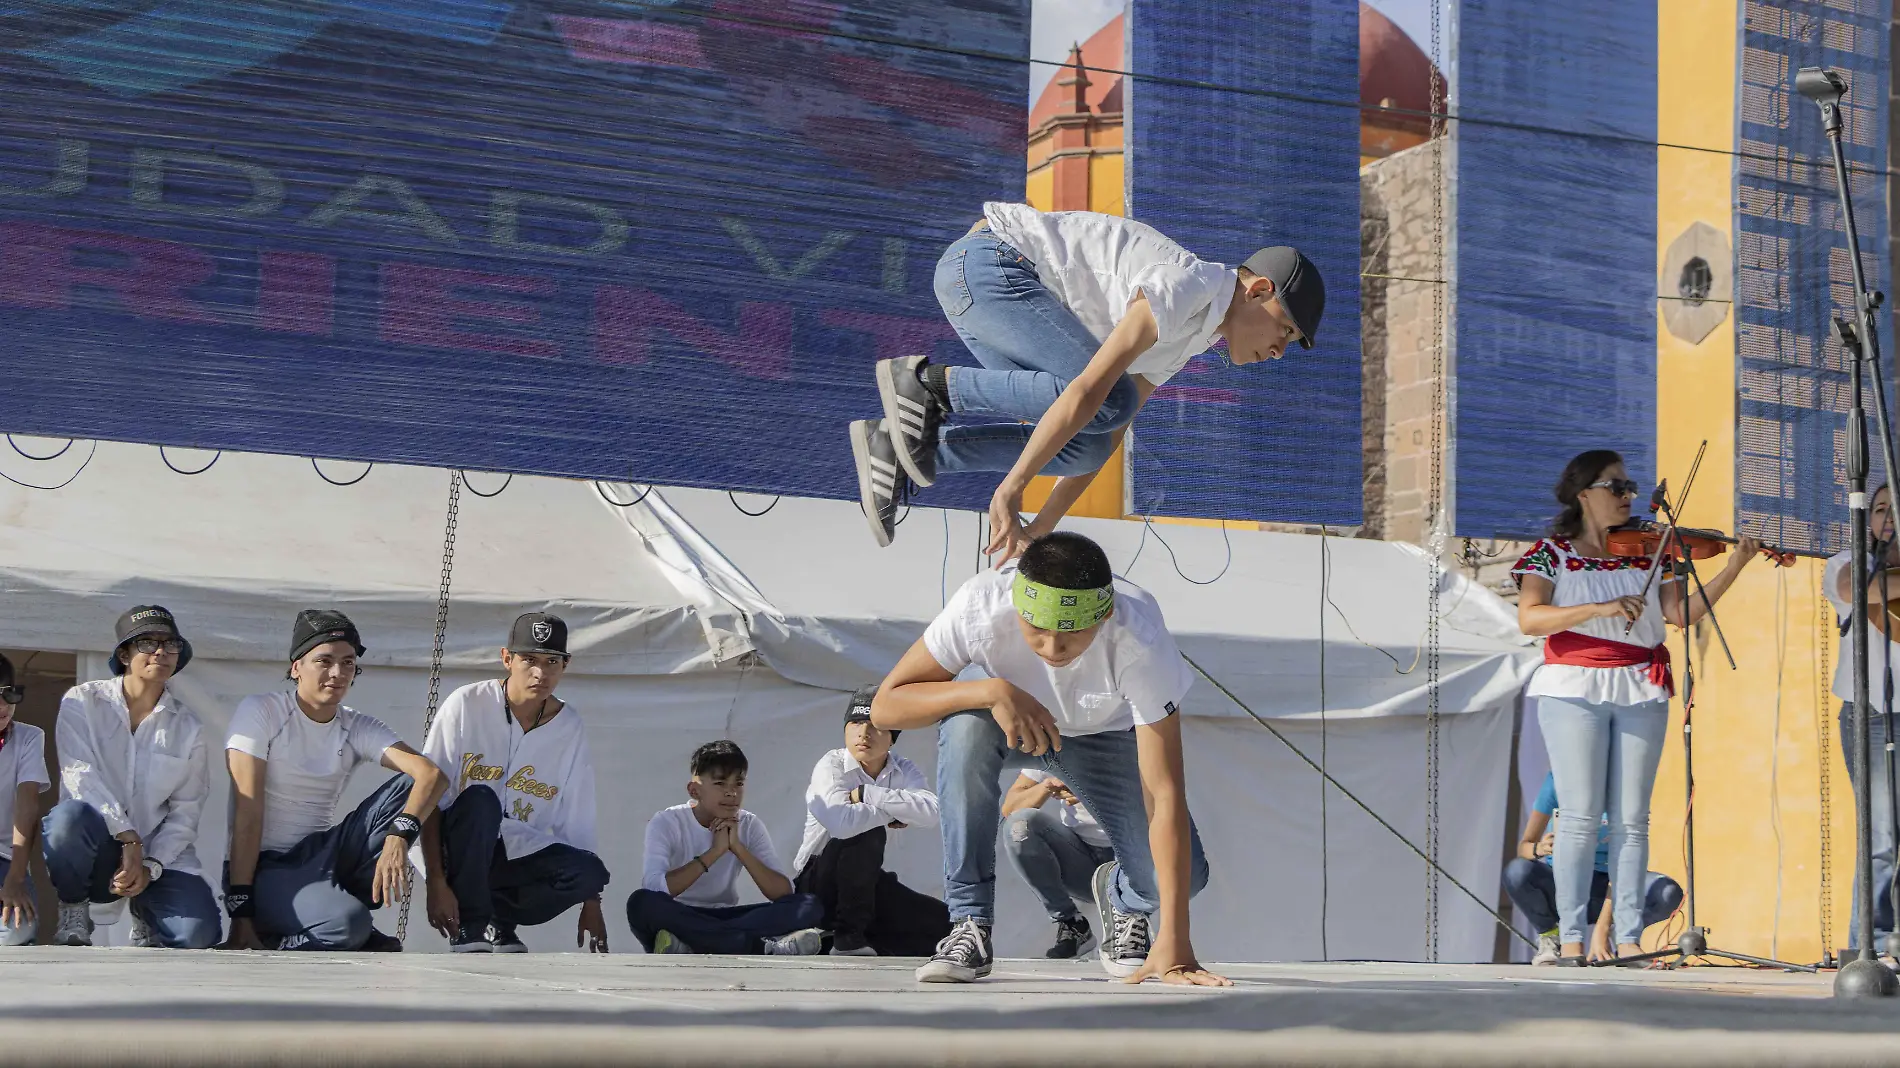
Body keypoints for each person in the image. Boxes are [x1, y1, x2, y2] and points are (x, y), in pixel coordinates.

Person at [849, 203, 1326, 553]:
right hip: (989, 267)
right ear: (1260, 290)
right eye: (1285, 330)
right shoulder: (1190, 286)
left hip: (983, 294)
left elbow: (1109, 433)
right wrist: (1013, 485)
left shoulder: (1193, 336)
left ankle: (909, 449)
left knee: (1093, 442)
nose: (1279, 351)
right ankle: (930, 386)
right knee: (1106, 398)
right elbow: (1089, 391)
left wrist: (1040, 528)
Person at [873, 530, 1225, 986]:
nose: (1053, 650)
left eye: (1073, 634)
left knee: (1183, 880)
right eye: (1036, 631)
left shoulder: (1140, 636)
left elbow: (1164, 793)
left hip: (1103, 737)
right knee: (964, 723)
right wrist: (990, 689)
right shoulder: (981, 603)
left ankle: (1123, 898)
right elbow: (886, 706)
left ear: (1106, 616)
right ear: (1017, 607)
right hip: (1009, 719)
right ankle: (970, 925)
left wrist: (1175, 940)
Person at [1512, 450, 1757, 964]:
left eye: (1629, 486)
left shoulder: (1649, 553)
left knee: (1632, 819)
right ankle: (1572, 936)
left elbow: (1680, 614)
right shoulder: (1549, 554)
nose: (1628, 495)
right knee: (1578, 816)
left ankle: (1627, 937)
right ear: (1584, 494)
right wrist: (1600, 608)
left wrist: (1736, 563)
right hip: (1573, 685)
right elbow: (1531, 619)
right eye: (1616, 486)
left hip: (1641, 684)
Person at [221, 610, 448, 952]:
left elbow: (432, 775)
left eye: (348, 663)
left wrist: (399, 836)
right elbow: (247, 815)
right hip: (268, 867)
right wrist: (241, 913)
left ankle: (477, 924)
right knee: (347, 927)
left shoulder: (356, 725)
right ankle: (286, 938)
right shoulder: (261, 711)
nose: (337, 673)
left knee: (411, 785)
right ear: (296, 667)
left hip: (324, 856)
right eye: (324, 661)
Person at [419, 613, 610, 953]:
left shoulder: (569, 725)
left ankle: (499, 920)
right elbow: (428, 792)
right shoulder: (467, 704)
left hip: (512, 854)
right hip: (455, 847)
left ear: (566, 664)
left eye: (552, 661)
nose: (541, 672)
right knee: (481, 800)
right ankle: (472, 925)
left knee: (590, 871)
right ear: (507, 659)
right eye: (529, 660)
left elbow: (578, 814)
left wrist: (590, 901)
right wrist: (435, 879)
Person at [45, 606, 220, 949]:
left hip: (158, 855)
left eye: (170, 644)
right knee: (67, 819)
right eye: (147, 642)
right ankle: (73, 908)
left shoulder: (188, 726)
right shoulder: (82, 701)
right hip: (101, 849)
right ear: (123, 655)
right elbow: (79, 776)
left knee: (197, 936)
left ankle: (148, 915)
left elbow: (187, 810)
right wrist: (128, 839)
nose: (161, 652)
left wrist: (151, 863)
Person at [791, 686, 949, 957]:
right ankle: (847, 938)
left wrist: (867, 794)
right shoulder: (831, 765)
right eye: (855, 723)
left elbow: (933, 812)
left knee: (944, 925)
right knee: (867, 832)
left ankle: (840, 942)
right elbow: (842, 824)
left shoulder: (903, 768)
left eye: (876, 725)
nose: (863, 734)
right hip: (818, 884)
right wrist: (895, 810)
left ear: (892, 737)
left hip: (867, 884)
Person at [627, 740, 824, 955]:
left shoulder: (748, 824)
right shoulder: (667, 821)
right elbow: (655, 887)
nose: (731, 793)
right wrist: (714, 852)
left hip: (725, 915)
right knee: (641, 903)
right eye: (720, 783)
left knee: (808, 906)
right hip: (679, 913)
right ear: (695, 790)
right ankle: (760, 947)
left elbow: (783, 892)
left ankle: (694, 943)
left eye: (738, 784)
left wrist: (737, 847)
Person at [1822, 482, 1900, 956]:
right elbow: (1861, 590)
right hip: (1871, 717)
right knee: (1882, 839)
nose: (1887, 517)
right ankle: (1866, 951)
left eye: (1897, 509)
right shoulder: (1844, 561)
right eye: (1880, 509)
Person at [1502, 771, 1683, 965]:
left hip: (1611, 884)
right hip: (1563, 884)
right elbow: (1524, 847)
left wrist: (1604, 926)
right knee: (1517, 872)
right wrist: (1540, 848)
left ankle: (1622, 936)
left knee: (1667, 893)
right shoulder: (1557, 779)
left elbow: (1625, 867)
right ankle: (1551, 937)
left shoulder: (1625, 781)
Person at [1001, 768, 1110, 959]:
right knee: (1020, 824)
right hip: (1081, 861)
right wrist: (1049, 785)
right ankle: (1071, 922)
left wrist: (1094, 790)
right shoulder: (1055, 748)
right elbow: (1010, 807)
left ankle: (1137, 926)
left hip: (1132, 859)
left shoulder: (1127, 742)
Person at [0, 654, 50, 947]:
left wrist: (17, 878)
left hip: (6, 858)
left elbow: (27, 803)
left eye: (9, 694)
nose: (3, 706)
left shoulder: (29, 737)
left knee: (15, 933)